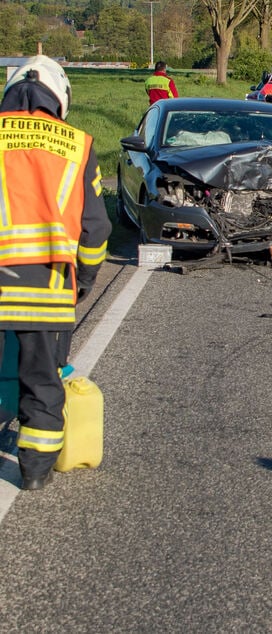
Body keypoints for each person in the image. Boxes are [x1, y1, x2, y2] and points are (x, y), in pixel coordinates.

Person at [0, 55, 112, 491]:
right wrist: (84, 278)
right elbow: (96, 228)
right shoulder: (77, 145)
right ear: (60, 98)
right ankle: (33, 473)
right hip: (45, 288)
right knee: (43, 383)